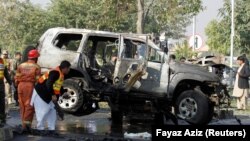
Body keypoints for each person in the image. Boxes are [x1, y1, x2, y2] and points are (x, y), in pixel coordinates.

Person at [31, 60, 71, 135]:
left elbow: (57, 85)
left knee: (52, 112)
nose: (69, 70)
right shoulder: (55, 72)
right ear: (65, 68)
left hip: (48, 94)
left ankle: (51, 129)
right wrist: (53, 95)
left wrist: (63, 93)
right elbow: (48, 83)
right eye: (69, 68)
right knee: (42, 112)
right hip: (41, 93)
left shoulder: (60, 73)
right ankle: (40, 129)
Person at [15, 49, 41, 132]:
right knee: (29, 105)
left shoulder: (21, 65)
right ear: (36, 58)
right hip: (29, 86)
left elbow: (16, 78)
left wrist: (18, 86)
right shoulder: (36, 66)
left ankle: (23, 124)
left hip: (20, 85)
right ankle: (26, 126)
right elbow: (37, 80)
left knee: (22, 105)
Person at [0, 49, 12, 126]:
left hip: (0, 83)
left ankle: (2, 119)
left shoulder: (2, 61)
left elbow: (5, 73)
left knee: (1, 102)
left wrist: (10, 82)